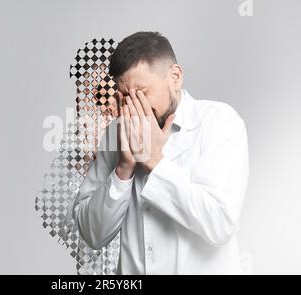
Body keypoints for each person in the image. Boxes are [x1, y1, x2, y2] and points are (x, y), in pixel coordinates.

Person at [71, 31, 250, 274]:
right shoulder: (115, 133)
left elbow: (220, 224)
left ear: (174, 77)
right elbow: (92, 234)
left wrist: (154, 160)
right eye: (124, 96)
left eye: (142, 93)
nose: (132, 106)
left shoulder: (219, 122)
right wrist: (123, 169)